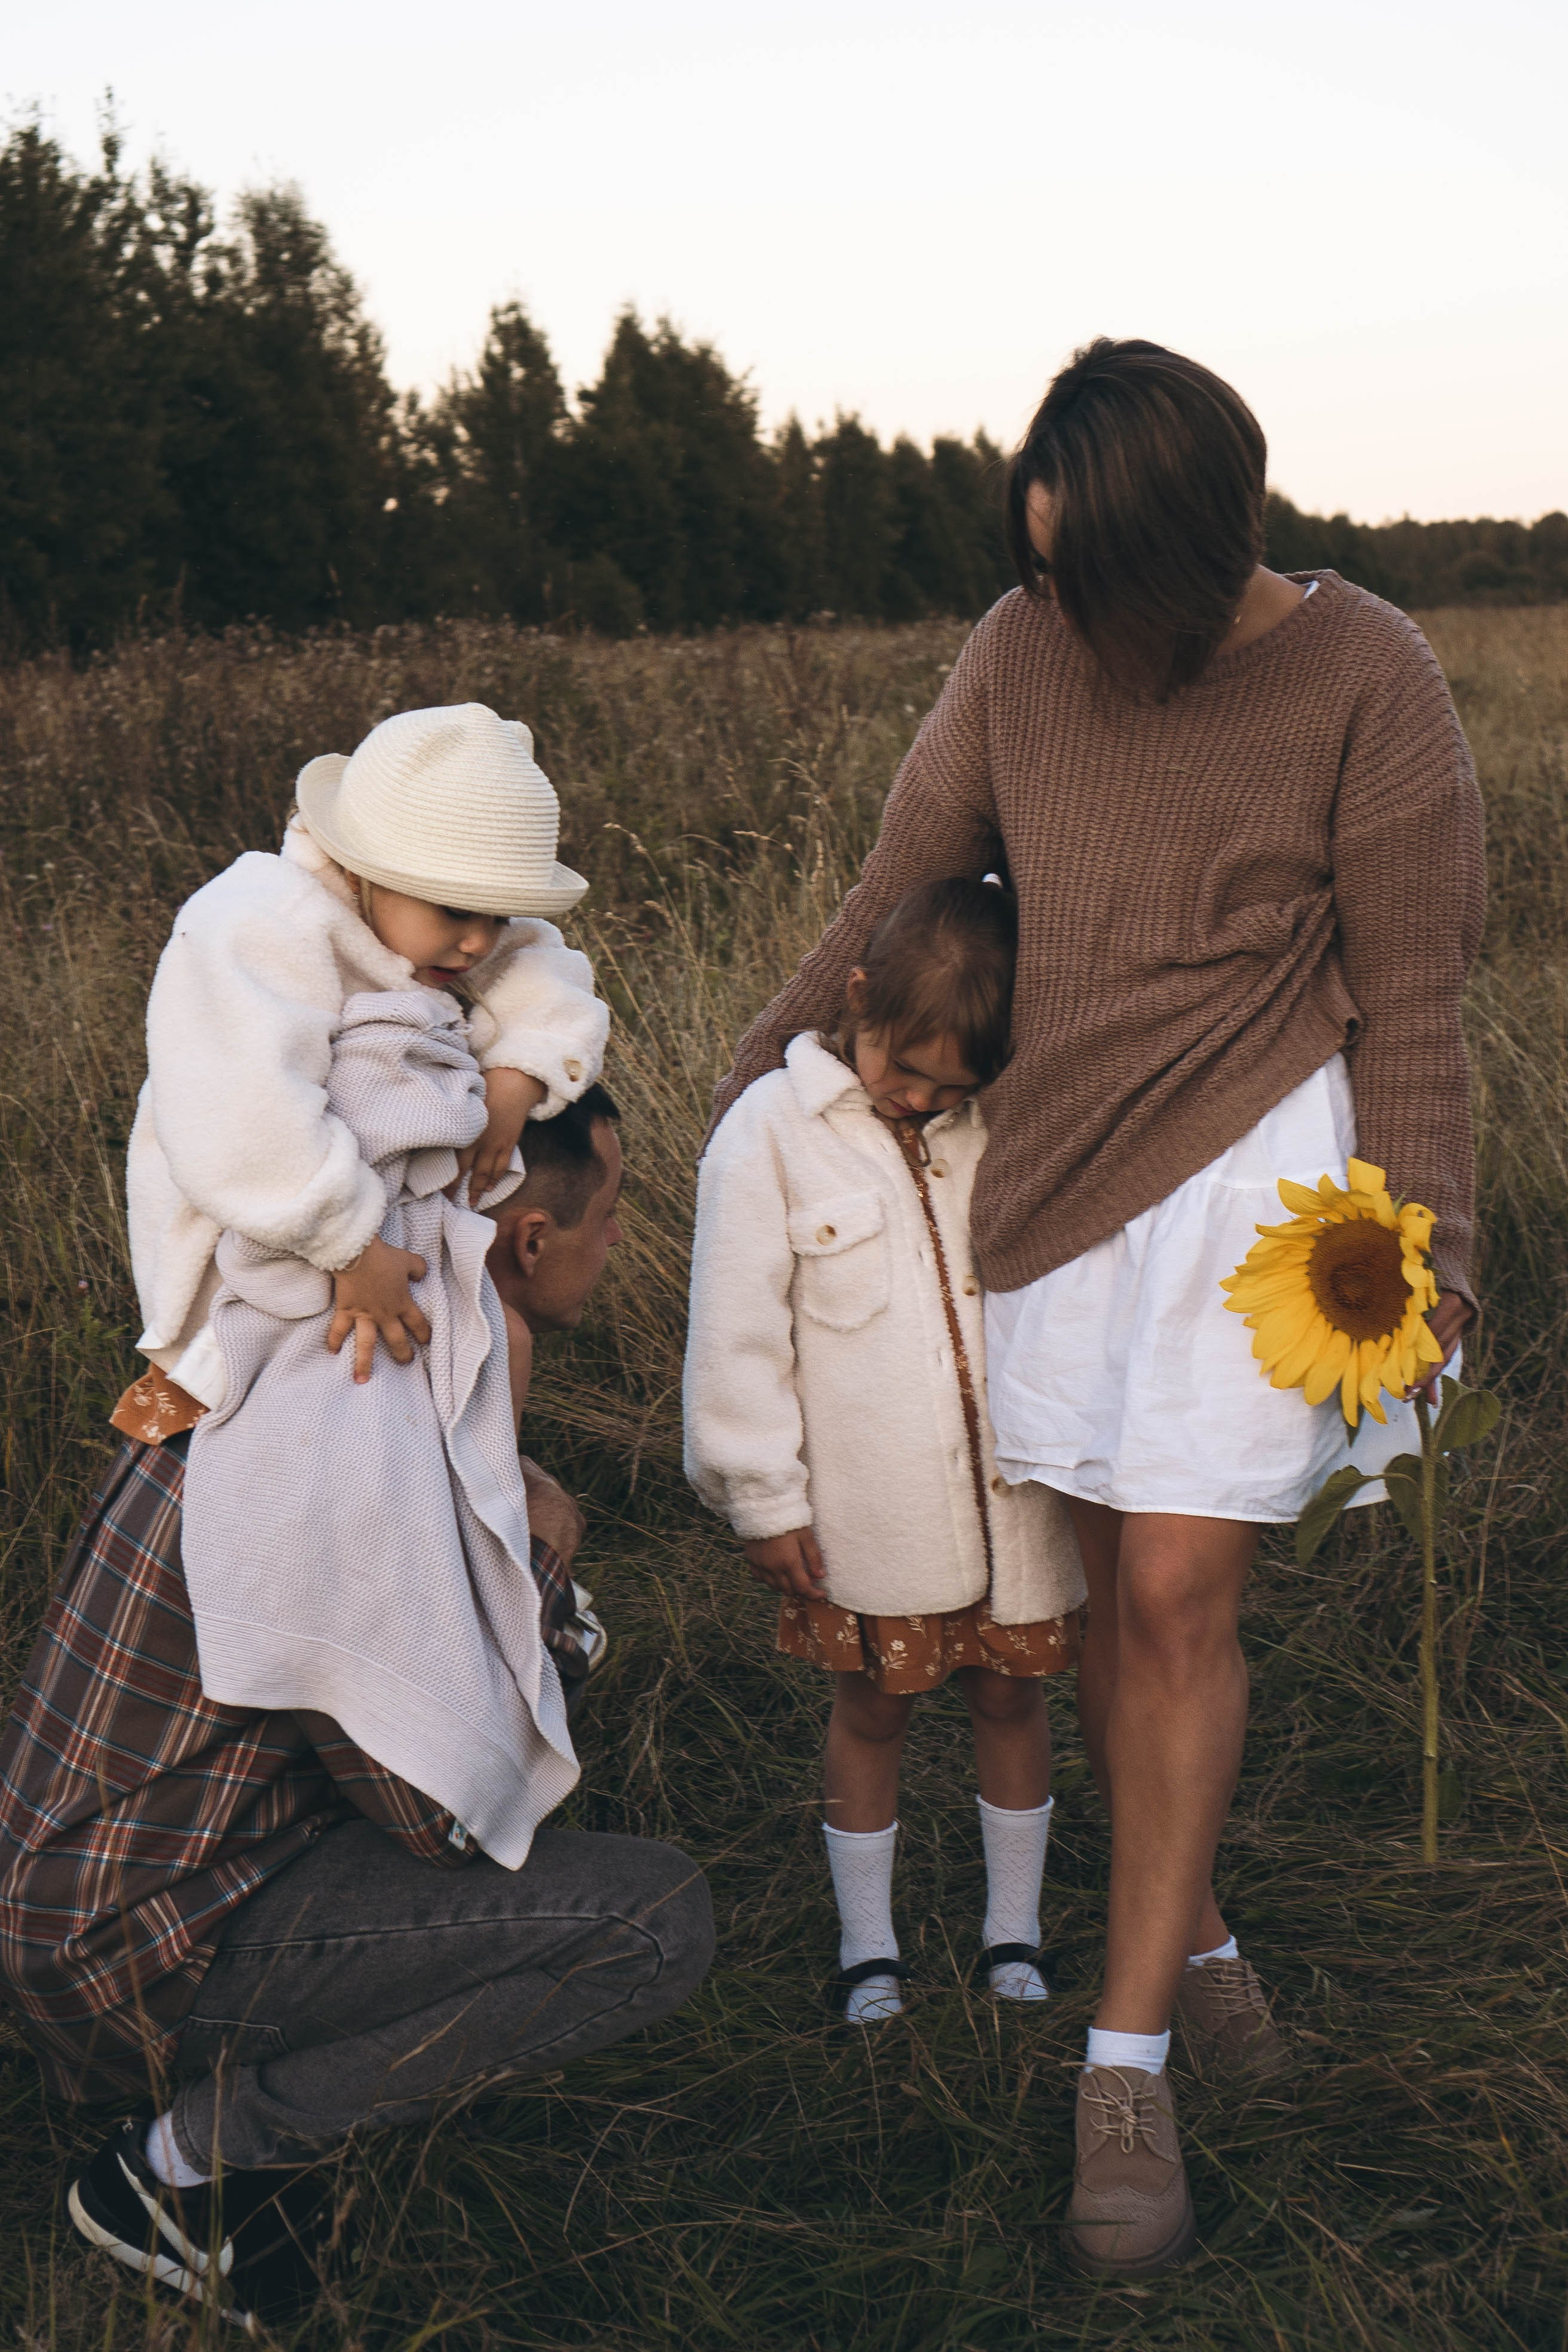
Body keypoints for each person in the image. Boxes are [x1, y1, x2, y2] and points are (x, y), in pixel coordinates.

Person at [710, 339, 1485, 2274]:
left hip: (1258, 1196)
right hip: (1052, 1186)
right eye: (1029, 561)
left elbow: (1412, 1001)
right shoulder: (1016, 647)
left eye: (1079, 571)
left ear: (1190, 547)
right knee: (1091, 1599)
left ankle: (1118, 2065)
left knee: (1167, 1596)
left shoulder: (1367, 676)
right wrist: (747, 1076)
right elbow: (899, 888)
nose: (1048, 598)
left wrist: (1434, 1252)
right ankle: (1194, 1923)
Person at [0, 1087, 715, 2332]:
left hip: (109, 1891)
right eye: (612, 1210)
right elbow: (440, 1812)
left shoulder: (275, 1342)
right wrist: (545, 1569)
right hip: (133, 1951)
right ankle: (182, 2166)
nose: (624, 1236)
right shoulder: (358, 1430)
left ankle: (235, 2157)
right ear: (529, 1244)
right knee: (649, 1923)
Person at [685, 878, 1085, 2025]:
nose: (917, 1100)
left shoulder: (1002, 1125)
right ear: (854, 998)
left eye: (951, 1088)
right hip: (874, 1515)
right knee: (871, 1713)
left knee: (1013, 1701)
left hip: (1016, 1512)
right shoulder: (769, 1134)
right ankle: (872, 1947)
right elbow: (736, 1335)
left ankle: (1016, 1931)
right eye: (903, 1068)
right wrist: (761, 1497)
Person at [129, 698, 609, 1412]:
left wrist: (520, 1071)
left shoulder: (417, 916)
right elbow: (243, 1112)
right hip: (254, 1254)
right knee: (227, 1424)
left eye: (496, 914)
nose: (479, 941)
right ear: (363, 870)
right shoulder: (255, 926)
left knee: (376, 1435)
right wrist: (349, 1247)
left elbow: (547, 968)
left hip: (383, 1261)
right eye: (455, 910)